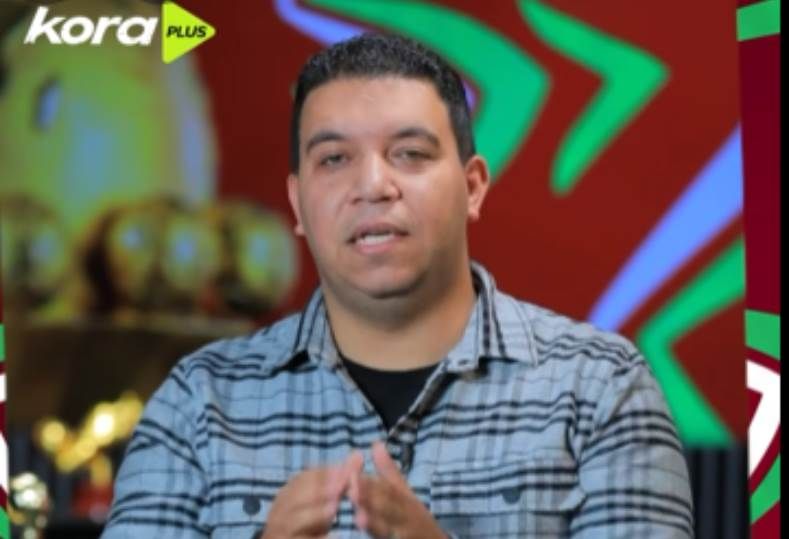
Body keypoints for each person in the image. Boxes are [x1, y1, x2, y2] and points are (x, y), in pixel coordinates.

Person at [101, 33, 693, 538]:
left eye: (409, 153)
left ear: (473, 187)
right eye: (334, 159)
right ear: (297, 204)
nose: (373, 186)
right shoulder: (198, 402)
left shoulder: (601, 389)